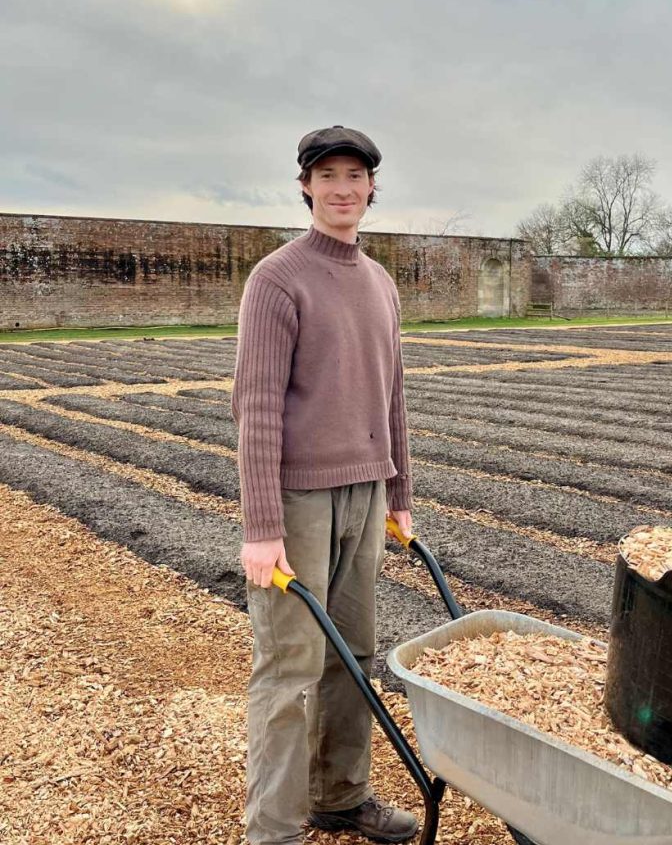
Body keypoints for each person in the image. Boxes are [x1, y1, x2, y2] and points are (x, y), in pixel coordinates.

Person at [231, 125, 418, 845]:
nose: (342, 187)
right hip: (300, 501)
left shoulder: (379, 283)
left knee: (352, 658)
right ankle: (272, 832)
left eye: (355, 175)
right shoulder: (277, 277)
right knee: (288, 671)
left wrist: (399, 496)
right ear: (305, 186)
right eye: (327, 175)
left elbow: (391, 398)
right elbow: (256, 408)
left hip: (367, 495)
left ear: (372, 188)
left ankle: (340, 796)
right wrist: (261, 528)